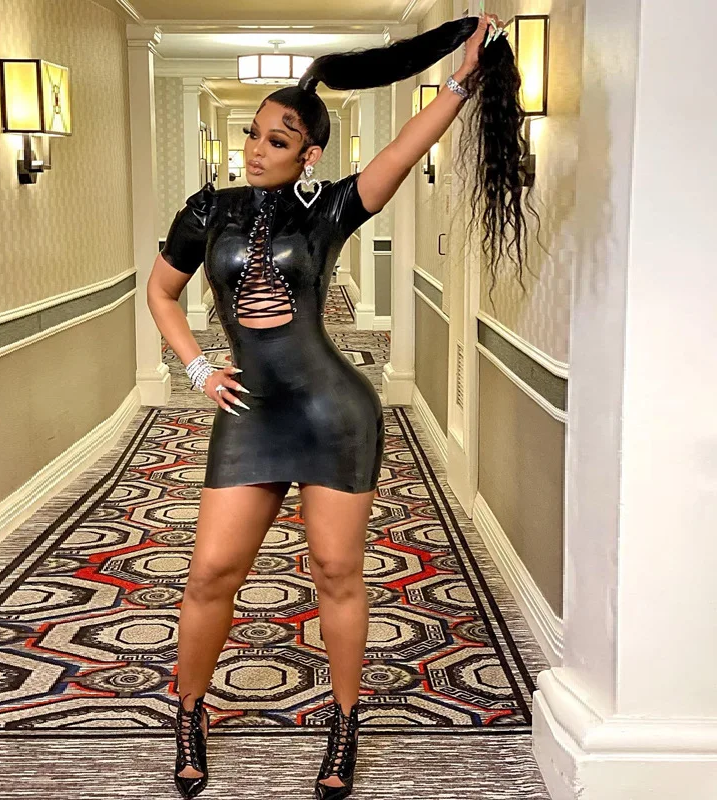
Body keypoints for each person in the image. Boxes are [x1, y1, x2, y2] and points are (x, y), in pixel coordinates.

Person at [147, 11, 526, 799]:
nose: (256, 149)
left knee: (336, 572)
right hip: (249, 413)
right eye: (253, 134)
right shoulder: (205, 210)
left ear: (309, 154)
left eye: (277, 140)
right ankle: (189, 711)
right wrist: (197, 368)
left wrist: (460, 82)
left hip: (332, 414)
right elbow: (161, 292)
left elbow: (402, 150)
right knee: (211, 572)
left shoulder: (329, 208)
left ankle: (345, 724)